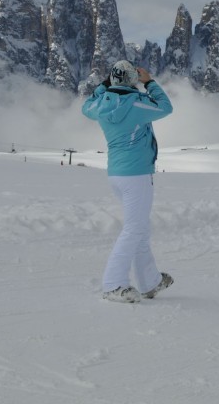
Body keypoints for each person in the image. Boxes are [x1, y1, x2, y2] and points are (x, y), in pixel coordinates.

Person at [81, 60, 174, 303]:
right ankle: (113, 285)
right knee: (134, 229)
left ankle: (150, 282)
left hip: (116, 174)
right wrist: (150, 82)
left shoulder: (100, 104)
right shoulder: (137, 104)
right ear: (133, 79)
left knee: (140, 227)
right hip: (138, 175)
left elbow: (86, 106)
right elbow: (165, 108)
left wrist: (104, 85)